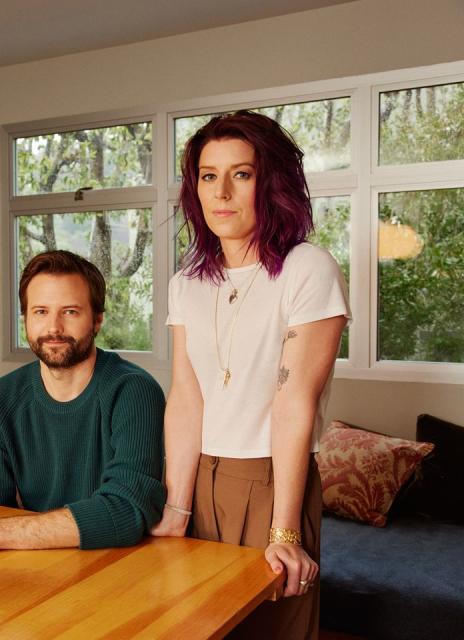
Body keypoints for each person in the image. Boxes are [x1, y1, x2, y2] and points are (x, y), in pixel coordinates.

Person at [151, 111, 349, 639]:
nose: (223, 192)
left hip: (273, 479)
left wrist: (284, 528)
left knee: (272, 630)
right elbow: (187, 395)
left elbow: (293, 404)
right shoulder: (186, 282)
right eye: (209, 175)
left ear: (271, 183)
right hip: (200, 477)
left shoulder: (308, 268)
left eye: (242, 174)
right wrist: (177, 505)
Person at [0, 250, 165, 554]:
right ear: (26, 318)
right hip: (34, 562)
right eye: (40, 312)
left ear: (98, 320)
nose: (54, 328)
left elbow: (126, 511)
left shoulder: (135, 392)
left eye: (70, 312)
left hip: (119, 564)